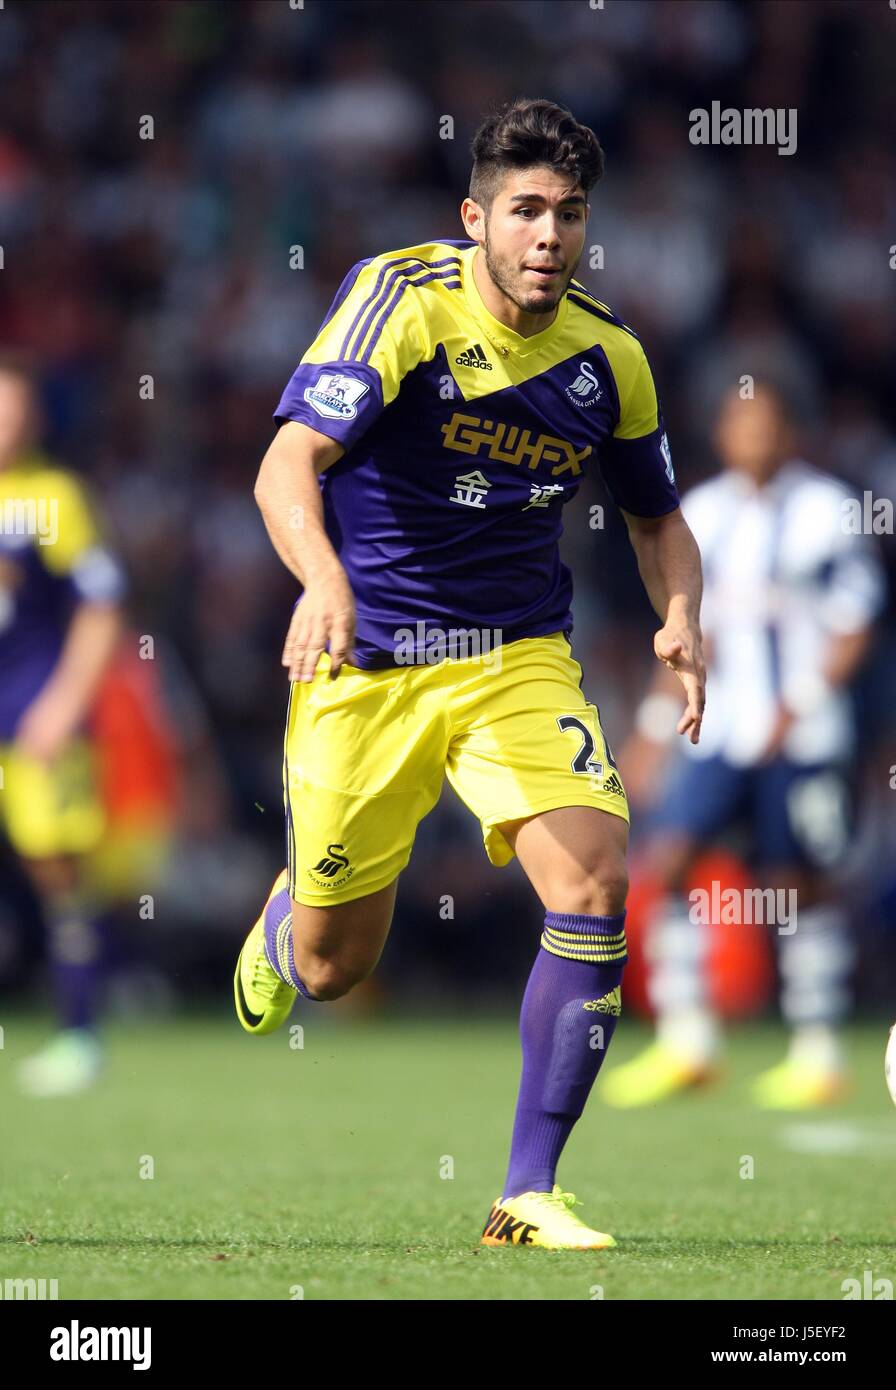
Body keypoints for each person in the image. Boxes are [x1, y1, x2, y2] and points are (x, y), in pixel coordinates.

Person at [235, 98, 705, 1249]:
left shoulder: (610, 358)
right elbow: (285, 462)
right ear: (475, 218)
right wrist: (322, 579)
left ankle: (525, 1192)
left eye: (569, 213)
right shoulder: (399, 299)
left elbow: (656, 520)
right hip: (370, 658)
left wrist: (682, 616)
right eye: (526, 211)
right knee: (336, 971)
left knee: (593, 882)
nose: (548, 234)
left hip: (512, 658)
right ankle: (294, 909)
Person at [604, 381, 884, 1110]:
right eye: (739, 422)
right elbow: (691, 635)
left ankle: (817, 1052)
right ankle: (687, 1041)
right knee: (667, 863)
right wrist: (649, 731)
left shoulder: (827, 510)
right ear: (724, 433)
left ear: (789, 431)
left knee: (794, 886)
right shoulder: (704, 514)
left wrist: (806, 701)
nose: (751, 434)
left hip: (804, 732)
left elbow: (856, 621)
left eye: (765, 421)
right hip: (720, 726)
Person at [0, 354, 126, 1095]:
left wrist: (65, 702)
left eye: (16, 413)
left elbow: (102, 604)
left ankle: (82, 1032)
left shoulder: (52, 498)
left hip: (34, 716)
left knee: (58, 873)